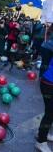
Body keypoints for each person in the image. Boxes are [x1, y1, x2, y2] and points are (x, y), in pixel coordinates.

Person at [35, 23, 53, 152]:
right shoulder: (49, 45)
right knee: (50, 112)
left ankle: (44, 133)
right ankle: (41, 141)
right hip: (49, 83)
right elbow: (44, 67)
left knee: (50, 112)